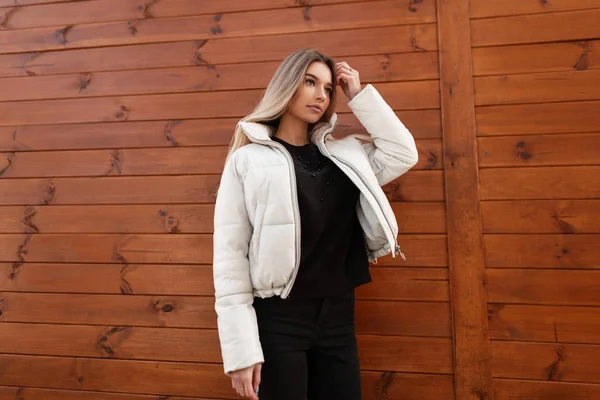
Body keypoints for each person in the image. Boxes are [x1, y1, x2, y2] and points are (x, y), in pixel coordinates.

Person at [212, 48, 419, 400]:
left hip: (338, 315)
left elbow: (403, 153)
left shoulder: (345, 155)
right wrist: (241, 350)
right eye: (310, 82)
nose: (321, 95)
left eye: (327, 88)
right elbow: (230, 257)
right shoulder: (247, 161)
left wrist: (358, 95)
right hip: (279, 319)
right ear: (287, 85)